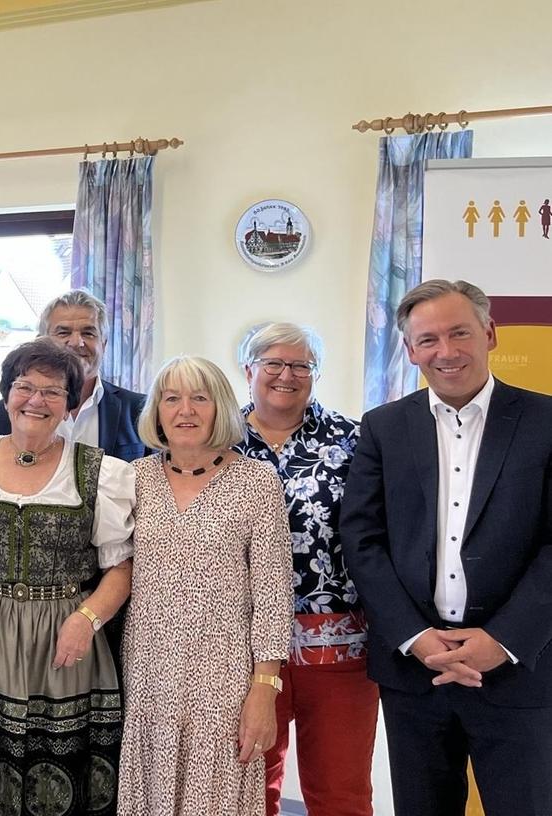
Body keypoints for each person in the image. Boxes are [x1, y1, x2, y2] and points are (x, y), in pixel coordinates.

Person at [342, 279, 552, 816]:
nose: (446, 351)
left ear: (490, 333)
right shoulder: (384, 427)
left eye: (460, 332)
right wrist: (415, 637)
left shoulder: (546, 421)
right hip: (416, 671)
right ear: (410, 351)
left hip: (520, 667)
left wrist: (501, 640)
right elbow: (362, 540)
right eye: (428, 339)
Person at [0, 338, 134, 816]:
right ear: (6, 396)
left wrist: (86, 619)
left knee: (58, 764)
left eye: (52, 392)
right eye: (24, 387)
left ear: (69, 406)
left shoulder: (100, 473)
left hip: (64, 634)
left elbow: (119, 568)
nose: (36, 401)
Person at [117, 356, 293, 816]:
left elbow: (274, 595)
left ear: (221, 409)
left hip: (225, 678)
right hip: (148, 673)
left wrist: (265, 687)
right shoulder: (133, 480)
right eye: (171, 398)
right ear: (156, 410)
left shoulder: (257, 482)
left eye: (200, 398)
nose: (185, 410)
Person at [233, 322, 375, 816]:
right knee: (248, 787)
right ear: (248, 369)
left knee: (340, 790)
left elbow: (379, 534)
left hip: (336, 644)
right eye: (273, 363)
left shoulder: (354, 439)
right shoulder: (215, 439)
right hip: (238, 644)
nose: (286, 375)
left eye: (300, 365)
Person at [0, 290, 148, 462]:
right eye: (63, 333)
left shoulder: (139, 410)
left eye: (88, 333)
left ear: (103, 344)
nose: (76, 342)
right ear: (40, 342)